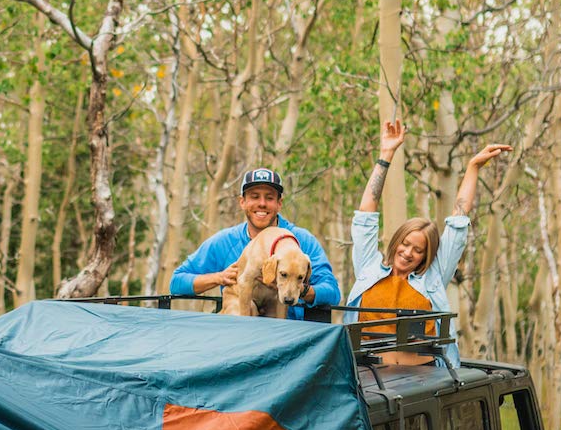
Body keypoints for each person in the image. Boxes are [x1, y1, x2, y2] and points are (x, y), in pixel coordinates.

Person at [347, 119, 511, 360]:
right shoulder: (368, 268)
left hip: (420, 376)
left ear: (426, 255)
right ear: (396, 242)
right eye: (405, 244)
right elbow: (365, 216)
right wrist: (386, 155)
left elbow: (457, 224)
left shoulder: (433, 278)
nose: (407, 253)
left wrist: (473, 167)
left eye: (418, 250)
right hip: (368, 371)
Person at [171, 167, 340, 317]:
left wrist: (299, 288)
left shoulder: (302, 241)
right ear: (242, 202)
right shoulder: (225, 241)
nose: (262, 204)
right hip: (241, 328)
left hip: (286, 330)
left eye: (269, 198)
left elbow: (332, 292)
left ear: (279, 203)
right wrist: (219, 277)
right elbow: (177, 282)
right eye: (254, 197)